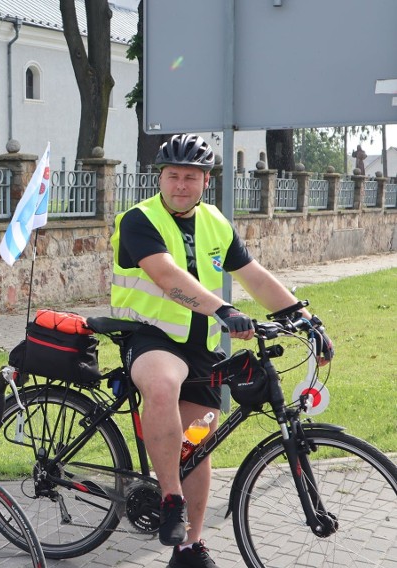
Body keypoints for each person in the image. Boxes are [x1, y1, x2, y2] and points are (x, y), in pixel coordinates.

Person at [109, 134, 334, 568]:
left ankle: (189, 547)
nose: (180, 185)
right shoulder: (138, 220)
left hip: (201, 348)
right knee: (161, 385)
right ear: (160, 177)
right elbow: (165, 275)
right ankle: (170, 497)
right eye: (172, 176)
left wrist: (304, 317)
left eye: (190, 177)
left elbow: (256, 276)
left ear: (205, 180)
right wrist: (223, 309)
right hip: (150, 337)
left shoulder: (215, 222)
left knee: (199, 442)